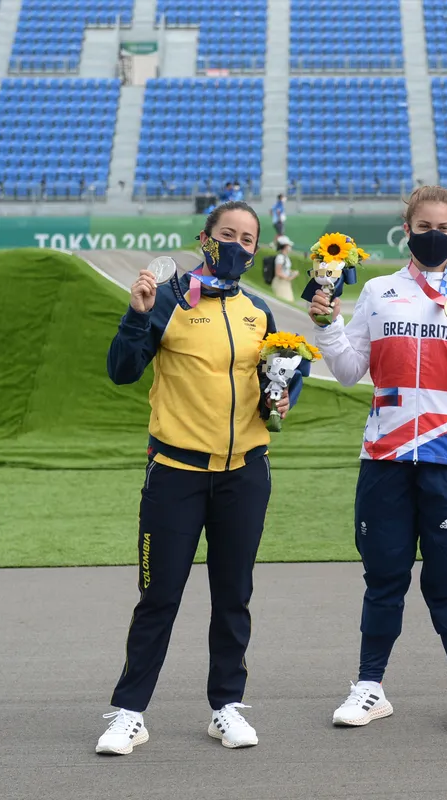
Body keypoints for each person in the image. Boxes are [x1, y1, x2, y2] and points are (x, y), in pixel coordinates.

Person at [96, 201, 309, 755]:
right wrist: (137, 312)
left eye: (248, 238)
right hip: (175, 475)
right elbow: (122, 370)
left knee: (233, 595)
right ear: (205, 238)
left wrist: (282, 397)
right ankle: (129, 713)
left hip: (245, 475)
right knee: (158, 596)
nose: (238, 245)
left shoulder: (258, 311)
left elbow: (274, 391)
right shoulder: (168, 297)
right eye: (227, 235)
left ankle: (226, 707)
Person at [310, 185, 447, 731]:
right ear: (408, 230)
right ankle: (369, 686)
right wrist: (325, 324)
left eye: (445, 226)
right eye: (424, 226)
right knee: (385, 575)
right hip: (387, 454)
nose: (435, 235)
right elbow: (350, 371)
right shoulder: (377, 291)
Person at [271, 235, 297, 303]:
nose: (290, 247)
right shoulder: (280, 257)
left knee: (290, 301)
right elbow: (278, 272)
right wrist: (289, 278)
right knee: (284, 302)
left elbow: (285, 269)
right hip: (280, 283)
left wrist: (293, 272)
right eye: (289, 245)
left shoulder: (285, 257)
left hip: (285, 283)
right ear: (285, 246)